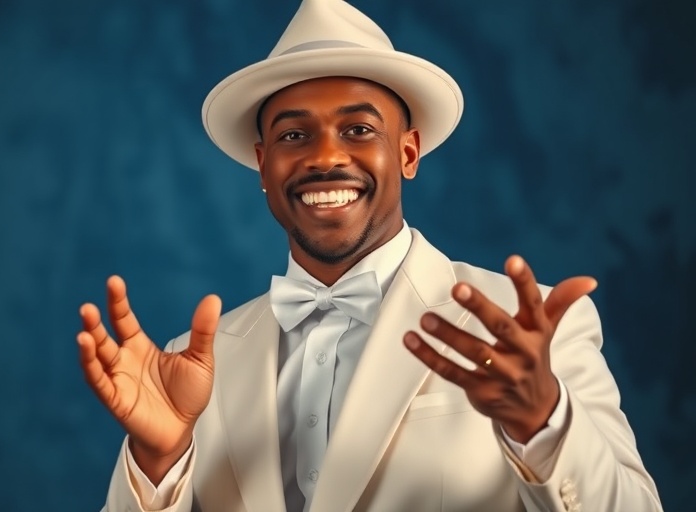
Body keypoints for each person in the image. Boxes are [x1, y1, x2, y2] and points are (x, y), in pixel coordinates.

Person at [76, 0, 663, 510]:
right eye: (293, 135)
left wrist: (545, 423)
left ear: (408, 153)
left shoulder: (523, 327)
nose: (325, 157)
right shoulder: (189, 367)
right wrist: (158, 463)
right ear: (262, 164)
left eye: (358, 130)